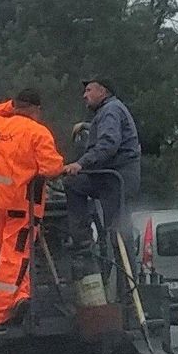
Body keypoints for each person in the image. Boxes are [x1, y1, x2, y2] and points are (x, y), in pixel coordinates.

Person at [0, 88, 65, 328]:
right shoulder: (38, 133)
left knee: (13, 255)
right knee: (14, 257)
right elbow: (52, 168)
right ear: (36, 110)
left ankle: (22, 296)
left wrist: (10, 106)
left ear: (15, 106)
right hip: (21, 206)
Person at [62, 77, 141, 248]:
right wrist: (86, 126)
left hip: (116, 179)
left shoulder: (110, 110)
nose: (84, 95)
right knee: (74, 183)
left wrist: (80, 164)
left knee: (118, 231)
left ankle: (84, 242)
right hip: (113, 178)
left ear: (103, 92)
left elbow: (108, 144)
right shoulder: (111, 110)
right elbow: (109, 131)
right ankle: (93, 244)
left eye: (89, 90)